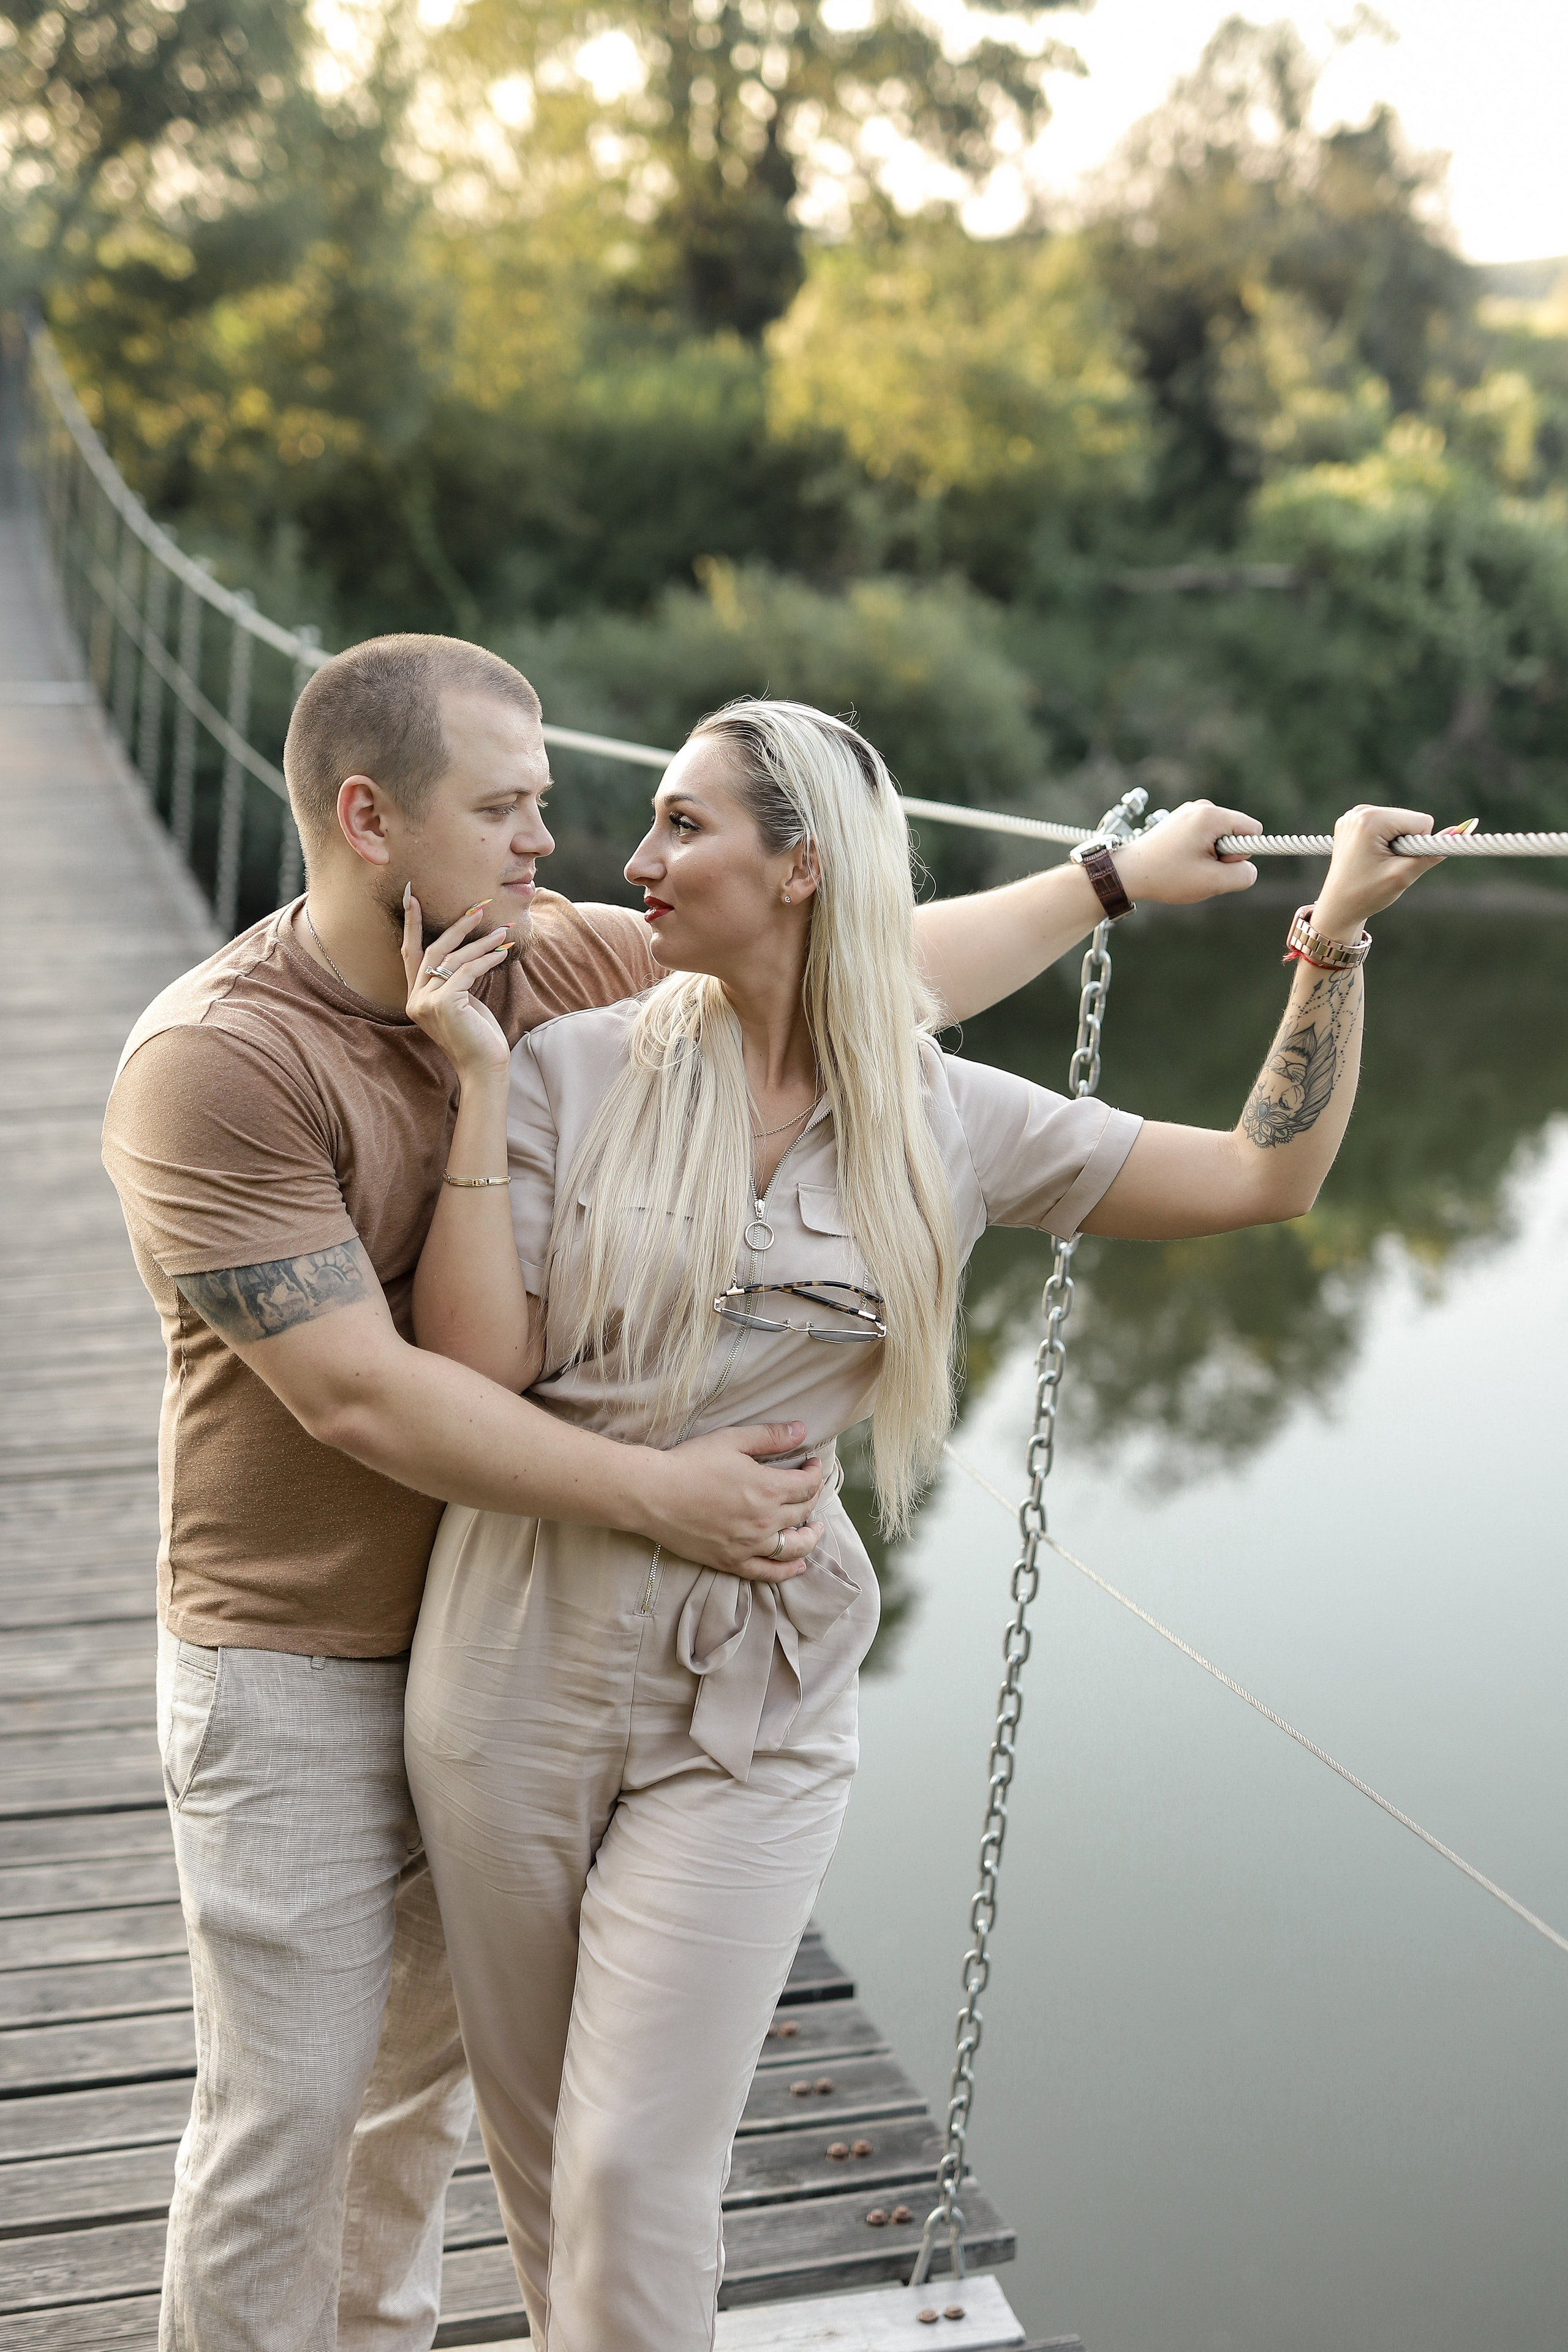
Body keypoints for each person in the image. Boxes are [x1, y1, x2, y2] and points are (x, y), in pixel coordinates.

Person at [99, 632, 1259, 2352]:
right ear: (366, 816)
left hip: (492, 1636)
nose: (550, 845)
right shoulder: (220, 1063)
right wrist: (665, 1498)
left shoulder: (549, 971)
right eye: (505, 807)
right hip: (303, 1652)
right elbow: (363, 1394)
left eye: (553, 804)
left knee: (410, 2125)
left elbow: (856, 956)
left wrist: (1105, 878)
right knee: (289, 2126)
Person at [399, 696, 1436, 2352]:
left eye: (683, 826)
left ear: (801, 865)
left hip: (752, 1701)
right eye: (649, 825)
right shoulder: (561, 1068)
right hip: (512, 1663)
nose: (634, 858)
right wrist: (466, 1091)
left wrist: (1335, 940)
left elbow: (1260, 1181)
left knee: (628, 2173)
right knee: (543, 2173)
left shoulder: (951, 1118)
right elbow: (476, 1369)